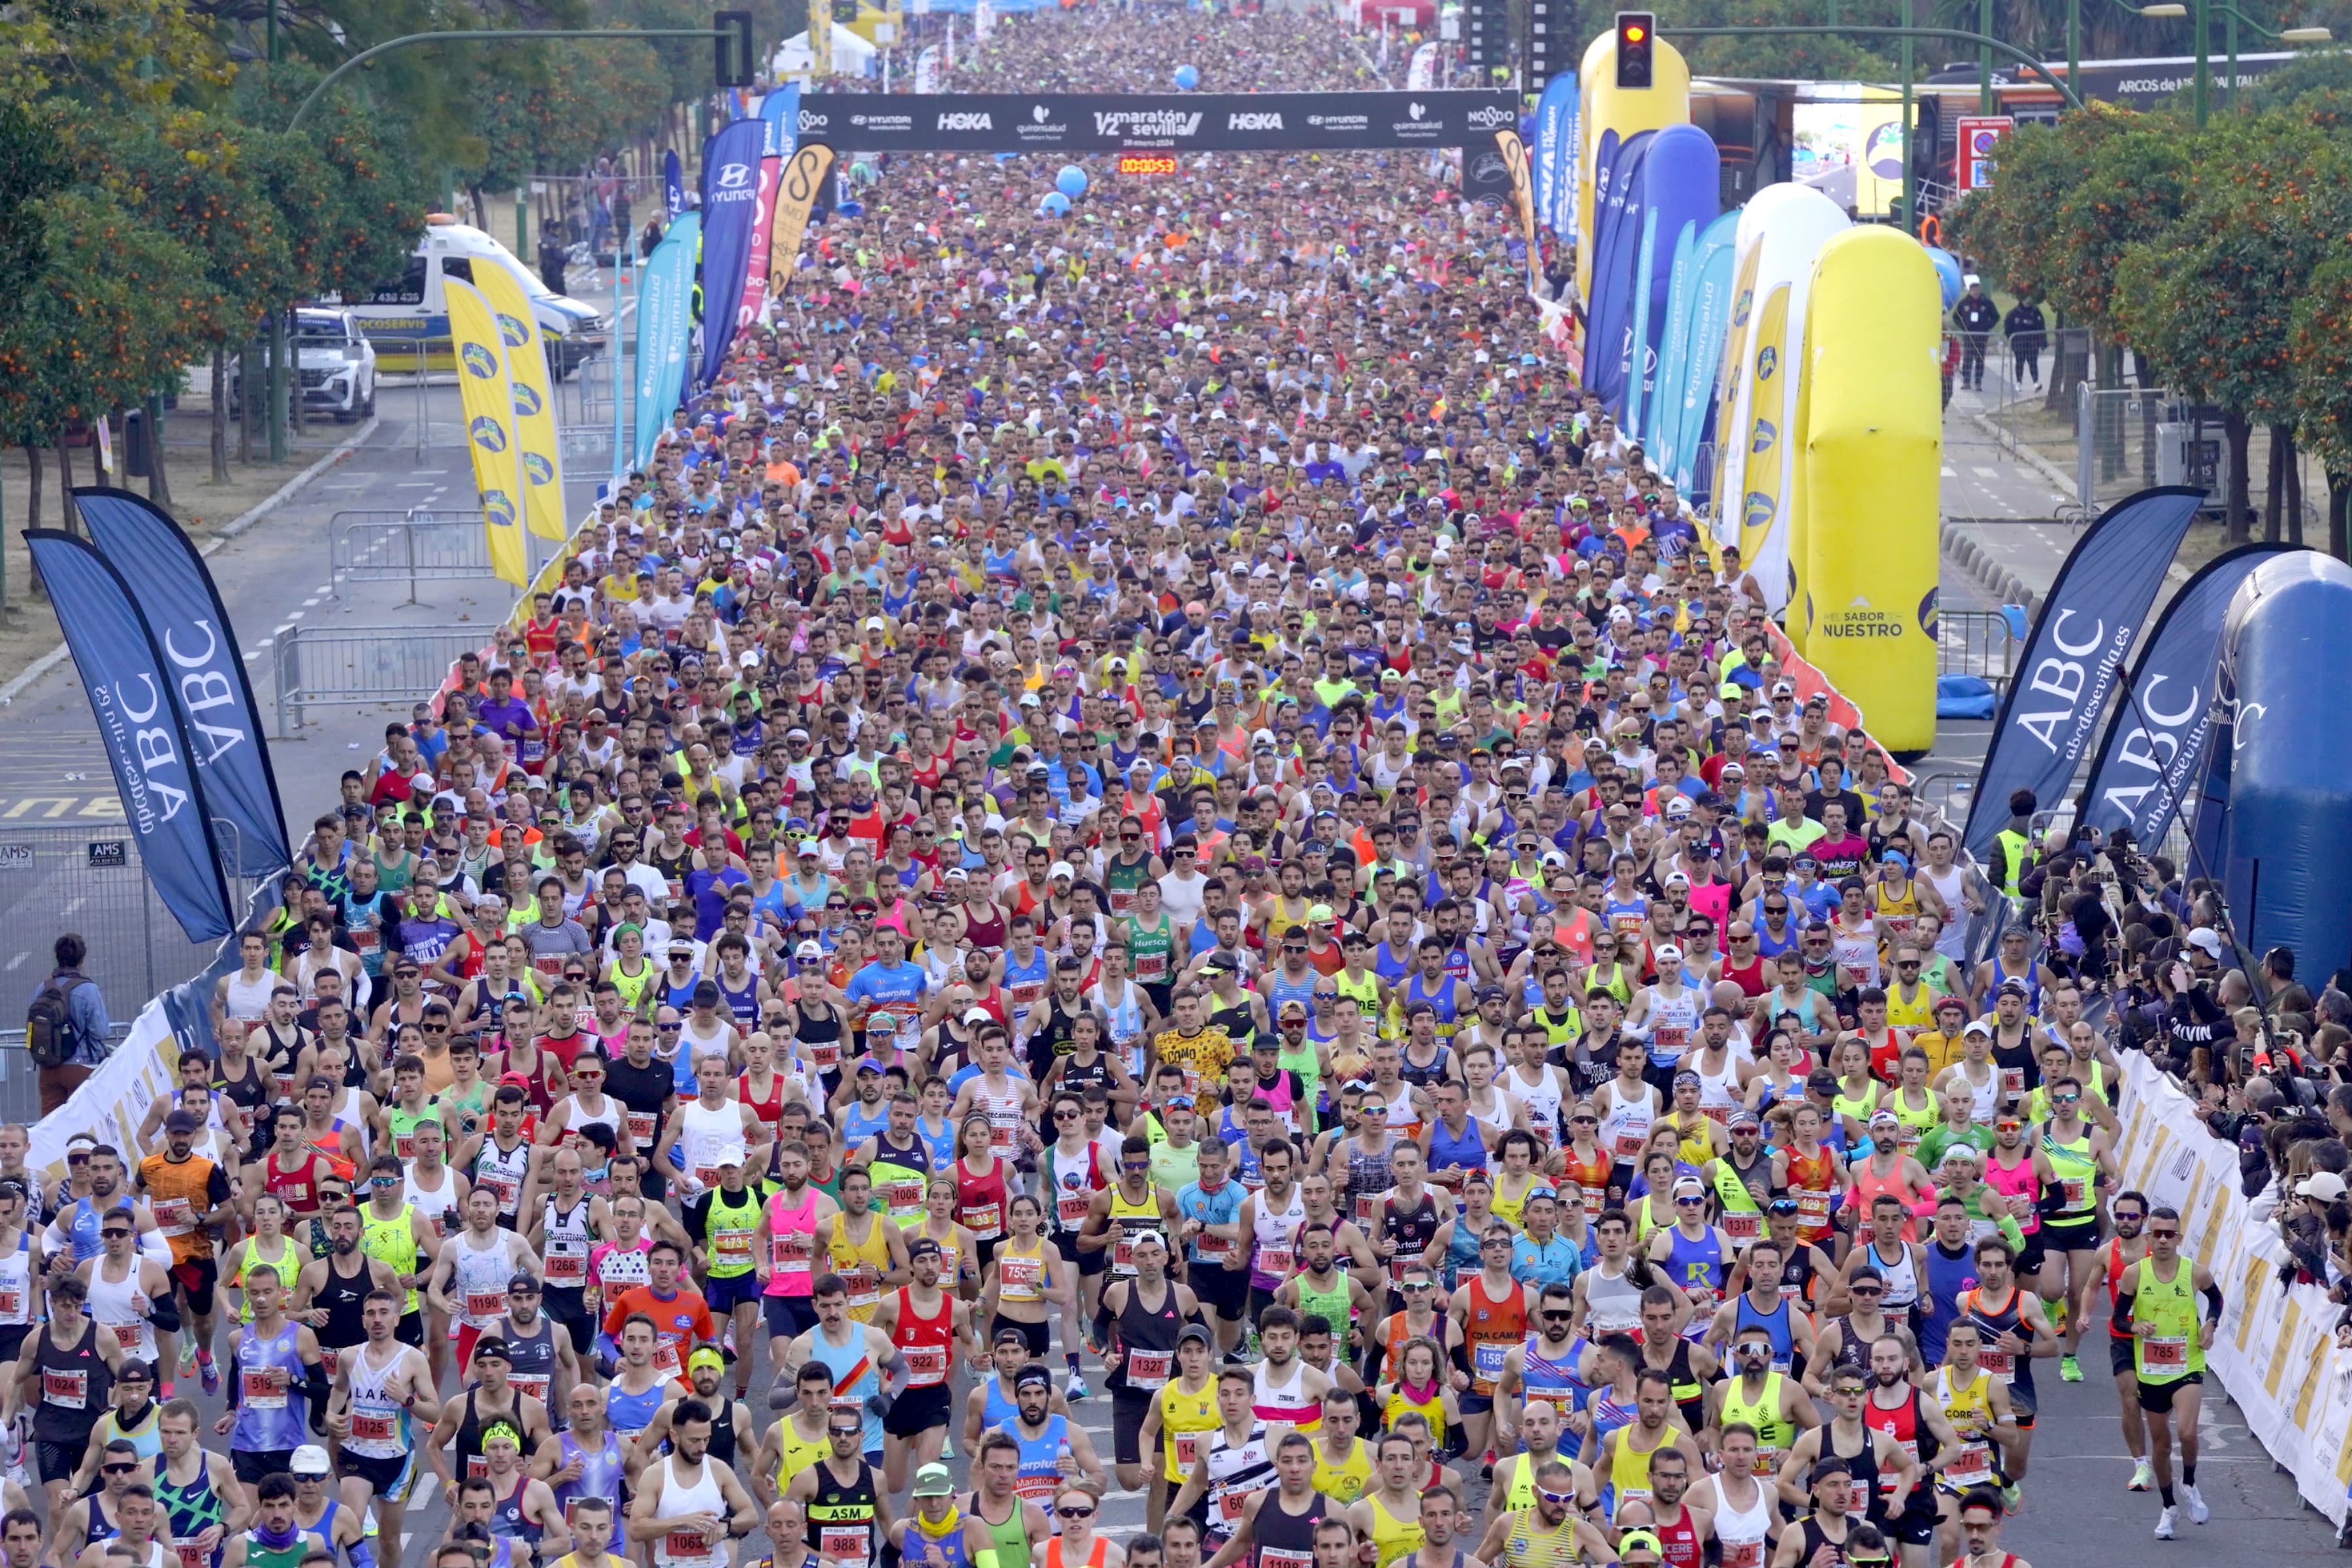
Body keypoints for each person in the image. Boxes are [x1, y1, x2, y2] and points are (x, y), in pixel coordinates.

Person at [2114, 1203, 2217, 1539]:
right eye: (2156, 1234)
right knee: (2161, 1444)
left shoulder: (2195, 1272)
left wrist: (2211, 1325)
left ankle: (2189, 1482)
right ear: (2148, 1236)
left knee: (2187, 1433)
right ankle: (2169, 1506)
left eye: (2168, 1235)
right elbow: (2117, 1318)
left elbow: (2216, 1301)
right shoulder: (2134, 1274)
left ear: (2178, 1237)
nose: (2162, 1241)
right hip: (2152, 1370)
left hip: (2187, 1364)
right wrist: (2135, 1327)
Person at [324, 1287, 438, 1568]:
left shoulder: (412, 1359)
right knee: (351, 1525)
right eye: (372, 1313)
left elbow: (435, 1411)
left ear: (396, 1319)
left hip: (396, 1459)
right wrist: (330, 1414)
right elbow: (339, 1389)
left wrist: (406, 1399)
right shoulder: (350, 1357)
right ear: (363, 1320)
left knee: (389, 1541)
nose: (377, 1319)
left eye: (384, 1313)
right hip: (356, 1456)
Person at [31, 934, 112, 1117]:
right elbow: (100, 1031)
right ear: (81, 959)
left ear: (58, 957)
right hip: (81, 1066)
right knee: (85, 1121)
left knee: (51, 1126)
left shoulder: (42, 988)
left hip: (48, 1067)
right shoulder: (88, 989)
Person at [1952, 279, 1999, 394]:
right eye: (1974, 291)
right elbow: (1956, 316)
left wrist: (1987, 326)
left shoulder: (1987, 303)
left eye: (1978, 290)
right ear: (1970, 291)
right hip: (1969, 336)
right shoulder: (1964, 303)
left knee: (1979, 360)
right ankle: (1966, 382)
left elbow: (1996, 316)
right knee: (1967, 360)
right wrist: (1963, 326)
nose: (1976, 293)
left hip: (1981, 336)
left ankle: (1978, 383)